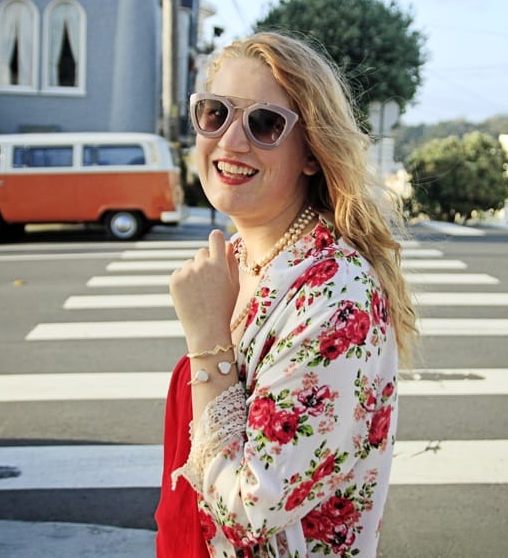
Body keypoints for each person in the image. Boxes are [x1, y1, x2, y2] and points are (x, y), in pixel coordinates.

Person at [155, 31, 418, 556]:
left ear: (312, 154)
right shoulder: (236, 260)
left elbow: (254, 506)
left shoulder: (337, 295)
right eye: (215, 113)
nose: (230, 141)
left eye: (265, 124)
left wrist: (207, 341)